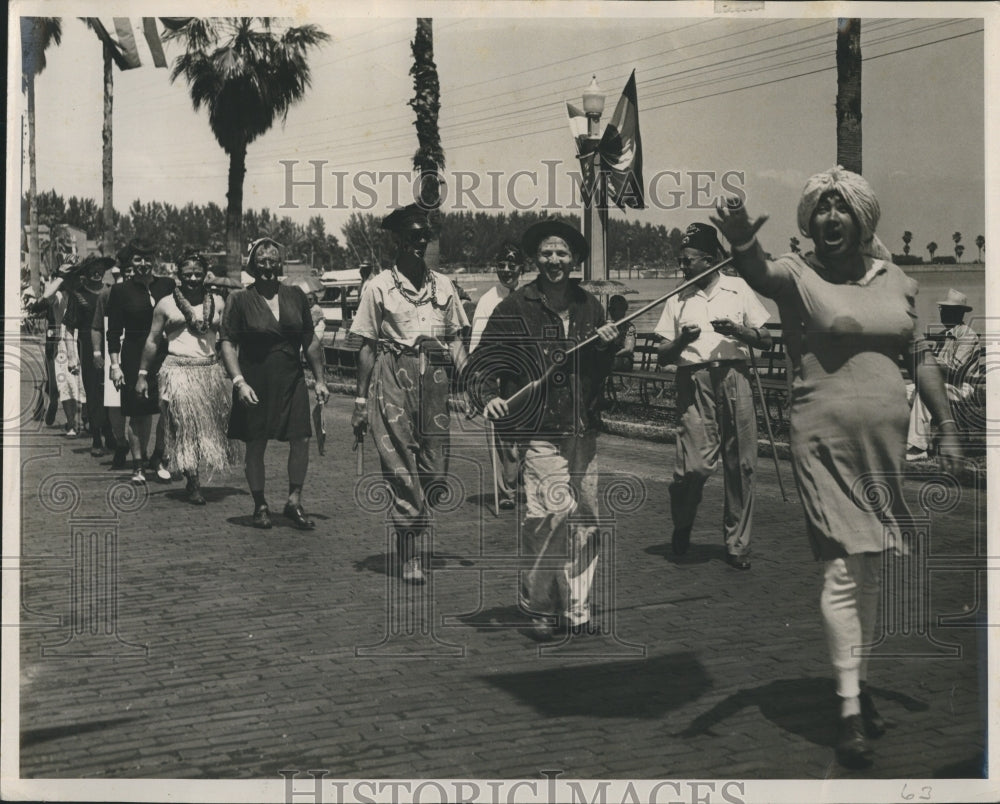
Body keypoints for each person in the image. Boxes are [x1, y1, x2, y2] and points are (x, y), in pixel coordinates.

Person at [711, 166, 963, 769]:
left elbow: (921, 359)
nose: (831, 218)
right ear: (810, 220)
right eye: (822, 209)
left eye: (842, 208)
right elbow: (759, 273)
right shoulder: (798, 275)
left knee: (869, 567)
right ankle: (848, 709)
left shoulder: (899, 280)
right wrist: (742, 238)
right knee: (841, 572)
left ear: (861, 218)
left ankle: (859, 684)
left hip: (885, 445)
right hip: (821, 437)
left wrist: (948, 428)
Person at [477, 219, 619, 638]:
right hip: (539, 428)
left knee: (586, 519)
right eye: (546, 253)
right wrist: (488, 396)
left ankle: (576, 608)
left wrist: (608, 345)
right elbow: (485, 361)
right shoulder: (515, 306)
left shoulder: (590, 307)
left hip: (583, 429)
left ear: (574, 259)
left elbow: (598, 369)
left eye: (562, 253)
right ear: (535, 259)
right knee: (549, 515)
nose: (554, 260)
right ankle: (539, 605)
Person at [350, 205, 469, 583]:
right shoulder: (378, 286)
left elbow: (455, 341)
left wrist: (470, 382)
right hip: (393, 373)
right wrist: (359, 402)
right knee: (402, 469)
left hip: (434, 378)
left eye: (425, 237)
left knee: (435, 471)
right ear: (398, 241)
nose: (420, 243)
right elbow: (367, 347)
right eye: (413, 236)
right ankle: (409, 554)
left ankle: (419, 511)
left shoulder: (445, 286)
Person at [654, 223, 772, 570]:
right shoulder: (677, 297)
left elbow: (764, 339)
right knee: (695, 466)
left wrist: (739, 331)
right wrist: (681, 342)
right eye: (681, 261)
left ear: (710, 261)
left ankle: (737, 544)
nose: (683, 267)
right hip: (694, 381)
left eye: (688, 261)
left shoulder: (738, 289)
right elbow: (662, 353)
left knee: (742, 465)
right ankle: (683, 519)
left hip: (735, 378)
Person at [219, 238, 329, 529]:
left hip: (291, 378)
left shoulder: (295, 295)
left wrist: (319, 380)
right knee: (256, 443)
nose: (267, 268)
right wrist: (239, 382)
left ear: (279, 264)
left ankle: (294, 501)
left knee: (302, 438)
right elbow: (227, 342)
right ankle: (260, 504)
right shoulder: (239, 300)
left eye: (273, 262)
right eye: (261, 263)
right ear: (252, 265)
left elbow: (310, 341)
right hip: (255, 379)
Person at [136, 253, 241, 505]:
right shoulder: (165, 304)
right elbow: (152, 340)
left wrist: (237, 375)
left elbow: (228, 340)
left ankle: (193, 472)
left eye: (198, 274)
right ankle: (192, 481)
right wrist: (142, 375)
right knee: (185, 428)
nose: (193, 279)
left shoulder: (217, 302)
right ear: (178, 276)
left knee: (208, 430)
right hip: (177, 371)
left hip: (209, 371)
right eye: (187, 274)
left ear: (205, 274)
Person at [106, 238, 175, 484]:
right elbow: (113, 332)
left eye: (148, 259)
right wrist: (115, 366)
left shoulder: (168, 285)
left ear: (154, 260)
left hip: (166, 354)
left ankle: (158, 457)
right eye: (138, 259)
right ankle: (138, 466)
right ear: (131, 262)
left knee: (169, 411)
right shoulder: (120, 291)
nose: (143, 264)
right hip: (134, 355)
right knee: (139, 413)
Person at [469, 242, 525, 510]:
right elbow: (476, 346)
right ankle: (507, 492)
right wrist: (477, 386)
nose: (506, 270)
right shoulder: (488, 301)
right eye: (501, 265)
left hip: (525, 376)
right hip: (497, 375)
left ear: (521, 268)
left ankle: (519, 480)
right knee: (504, 440)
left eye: (512, 265)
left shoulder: (530, 296)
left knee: (526, 436)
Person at [905, 289, 980, 461]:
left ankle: (917, 448)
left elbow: (954, 370)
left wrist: (928, 360)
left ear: (959, 313)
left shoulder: (967, 336)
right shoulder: (942, 336)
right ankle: (895, 443)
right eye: (943, 310)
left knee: (927, 393)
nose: (944, 313)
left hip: (961, 387)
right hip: (942, 384)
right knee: (897, 392)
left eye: (948, 310)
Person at [64, 256, 116, 456]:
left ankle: (111, 433)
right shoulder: (78, 296)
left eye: (100, 268)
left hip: (111, 346)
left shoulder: (112, 291)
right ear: (86, 272)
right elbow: (68, 327)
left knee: (111, 391)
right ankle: (96, 437)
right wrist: (71, 356)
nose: (97, 272)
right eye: (93, 269)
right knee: (93, 392)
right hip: (88, 348)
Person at [608, 294, 637, 372]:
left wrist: (611, 355)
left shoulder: (629, 327)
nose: (611, 312)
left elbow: (629, 349)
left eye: (614, 309)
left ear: (623, 310)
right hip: (610, 359)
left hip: (624, 360)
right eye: (610, 309)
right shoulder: (608, 325)